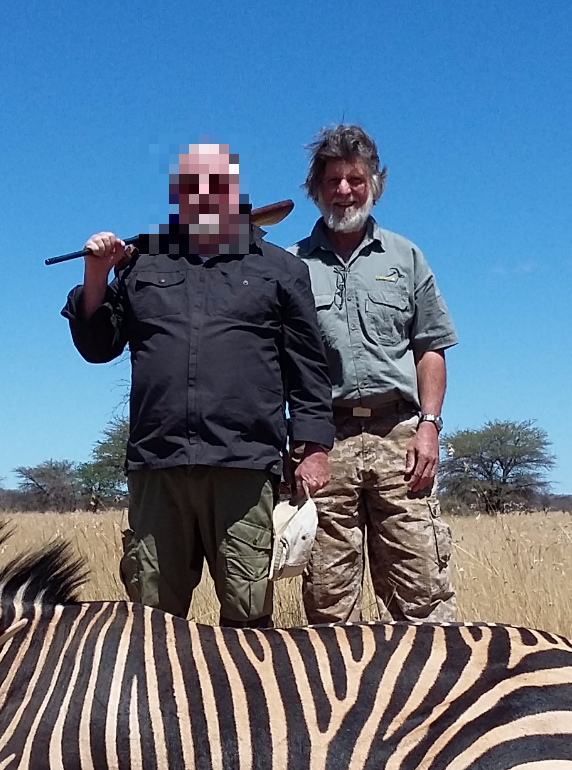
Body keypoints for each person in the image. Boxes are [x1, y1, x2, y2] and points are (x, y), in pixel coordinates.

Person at [64, 143, 334, 628]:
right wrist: (95, 275)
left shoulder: (280, 268)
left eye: (215, 185)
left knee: (248, 621)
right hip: (158, 465)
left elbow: (308, 366)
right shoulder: (141, 265)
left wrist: (313, 446)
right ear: (177, 196)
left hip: (244, 464)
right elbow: (97, 345)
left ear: (234, 192)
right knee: (149, 623)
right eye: (192, 187)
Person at [289, 125, 458, 624]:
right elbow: (280, 365)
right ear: (315, 189)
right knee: (326, 602)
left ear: (374, 184)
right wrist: (298, 443)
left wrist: (429, 426)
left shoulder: (406, 257)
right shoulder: (292, 265)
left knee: (423, 593)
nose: (344, 190)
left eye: (355, 179)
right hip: (325, 442)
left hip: (400, 436)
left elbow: (431, 347)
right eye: (334, 180)